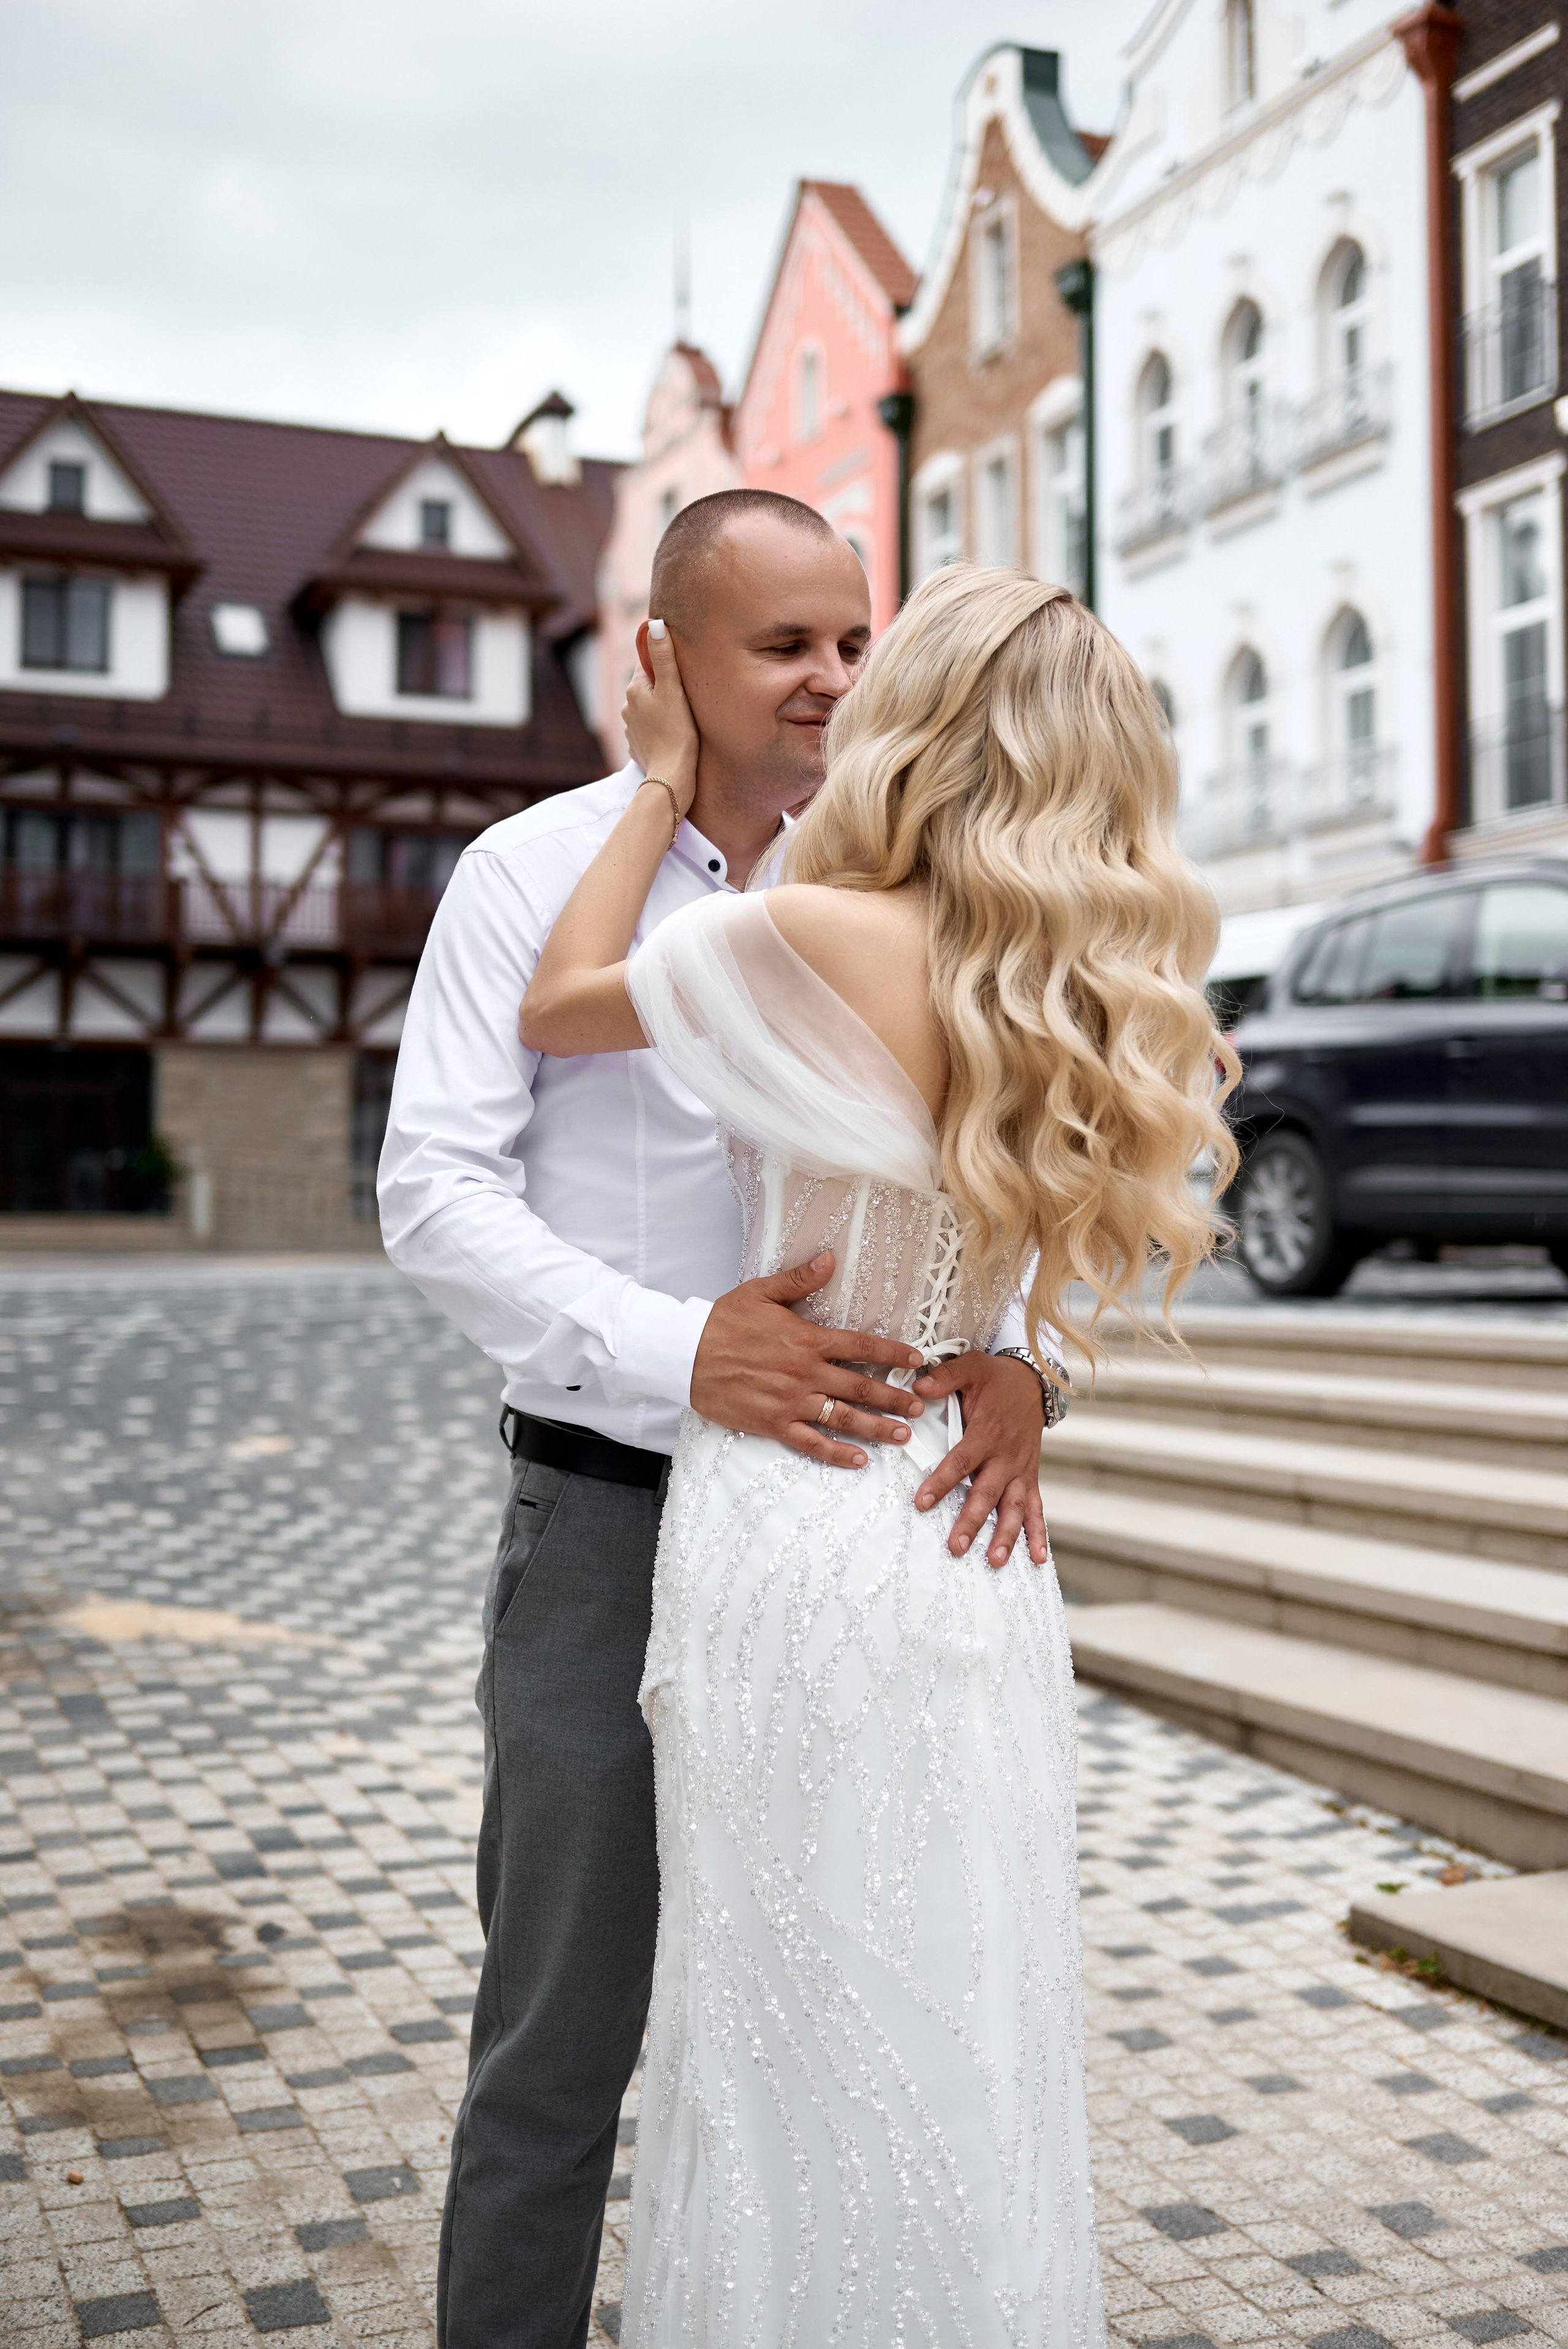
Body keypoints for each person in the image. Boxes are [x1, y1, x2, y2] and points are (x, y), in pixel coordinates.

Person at [519, 561, 1238, 2341]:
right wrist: (1024, 1384)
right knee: (961, 2013)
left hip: (800, 1508)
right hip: (970, 1545)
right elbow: (1043, 1285)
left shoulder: (817, 931)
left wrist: (661, 784)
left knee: (773, 2024)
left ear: (922, 718)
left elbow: (562, 1002)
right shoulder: (1094, 979)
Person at [377, 489, 1057, 2349]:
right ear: (664, 658)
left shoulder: (926, 884)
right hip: (610, 1522)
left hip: (852, 1545)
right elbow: (434, 1194)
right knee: (556, 2051)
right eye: (786, 644)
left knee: (853, 2030)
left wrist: (1033, 1354)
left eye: (855, 636)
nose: (834, 676)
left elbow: (1048, 1140)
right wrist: (685, 1350)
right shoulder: (530, 875)